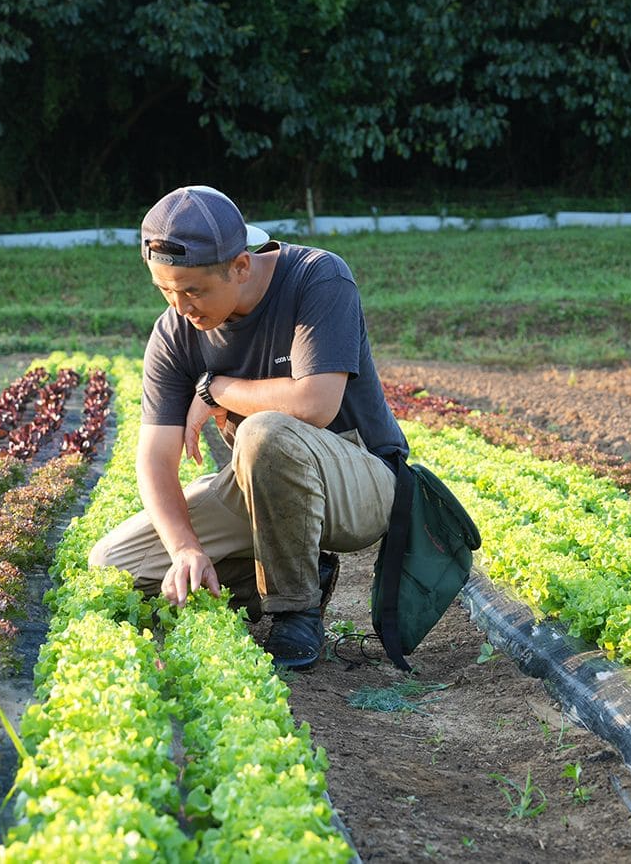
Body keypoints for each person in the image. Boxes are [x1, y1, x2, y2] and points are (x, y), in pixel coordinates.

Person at [88, 185, 407, 669]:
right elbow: (154, 459)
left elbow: (316, 404)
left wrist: (216, 389)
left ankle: (295, 610)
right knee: (115, 565)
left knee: (263, 433)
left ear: (240, 265)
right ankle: (293, 569)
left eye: (193, 290)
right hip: (260, 483)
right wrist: (185, 549)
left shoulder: (317, 278)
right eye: (165, 290)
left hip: (359, 477)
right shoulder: (175, 332)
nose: (181, 306)